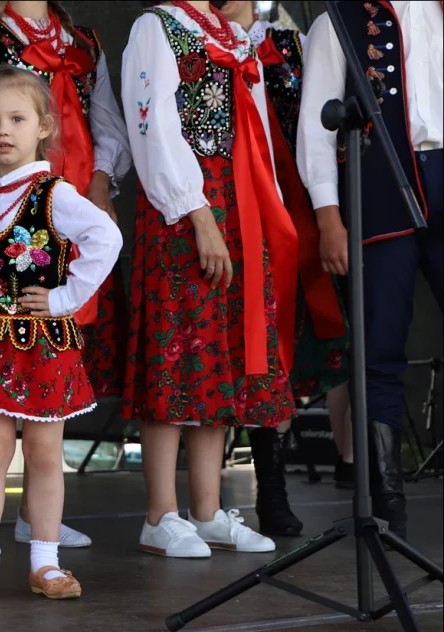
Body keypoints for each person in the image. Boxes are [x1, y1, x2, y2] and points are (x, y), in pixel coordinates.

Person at [0, 0, 132, 555]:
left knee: (44, 450)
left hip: (45, 336)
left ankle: (42, 554)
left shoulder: (55, 192)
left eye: (17, 119)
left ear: (42, 126)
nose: (3, 130)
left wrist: (65, 296)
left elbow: (106, 237)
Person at [122, 0, 296, 559]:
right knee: (174, 351)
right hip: (183, 209)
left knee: (214, 355)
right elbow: (153, 128)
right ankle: (159, 515)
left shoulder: (231, 34)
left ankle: (206, 509)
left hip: (234, 202)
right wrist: (197, 214)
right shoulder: (156, 26)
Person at [297, 0, 443, 541]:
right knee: (380, 348)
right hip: (381, 188)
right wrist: (328, 215)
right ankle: (389, 510)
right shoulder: (337, 20)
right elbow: (317, 126)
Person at [219, 0, 351, 536]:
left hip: (296, 220)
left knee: (287, 353)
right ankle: (250, 492)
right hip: (231, 219)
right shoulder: (190, 42)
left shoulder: (293, 45)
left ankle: (287, 486)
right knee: (244, 353)